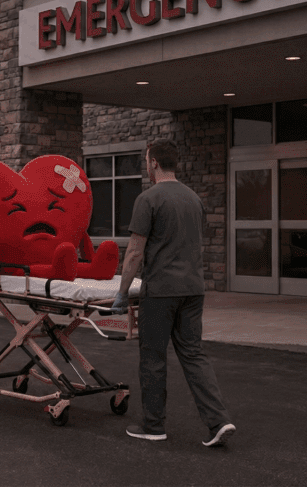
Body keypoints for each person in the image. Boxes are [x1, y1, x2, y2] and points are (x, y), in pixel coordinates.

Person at [110, 140, 236, 447]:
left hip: (161, 291)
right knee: (193, 354)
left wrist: (122, 292)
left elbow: (135, 253)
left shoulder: (148, 199)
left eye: (146, 161)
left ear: (153, 163)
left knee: (153, 357)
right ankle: (219, 421)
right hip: (193, 290)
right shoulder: (194, 199)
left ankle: (154, 426)